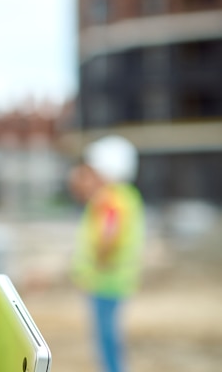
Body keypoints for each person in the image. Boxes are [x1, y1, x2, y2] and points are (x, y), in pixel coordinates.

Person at [68, 135, 146, 372]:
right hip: (117, 278)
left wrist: (98, 264)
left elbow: (108, 236)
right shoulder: (127, 195)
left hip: (106, 280)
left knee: (107, 339)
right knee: (110, 336)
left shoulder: (111, 199)